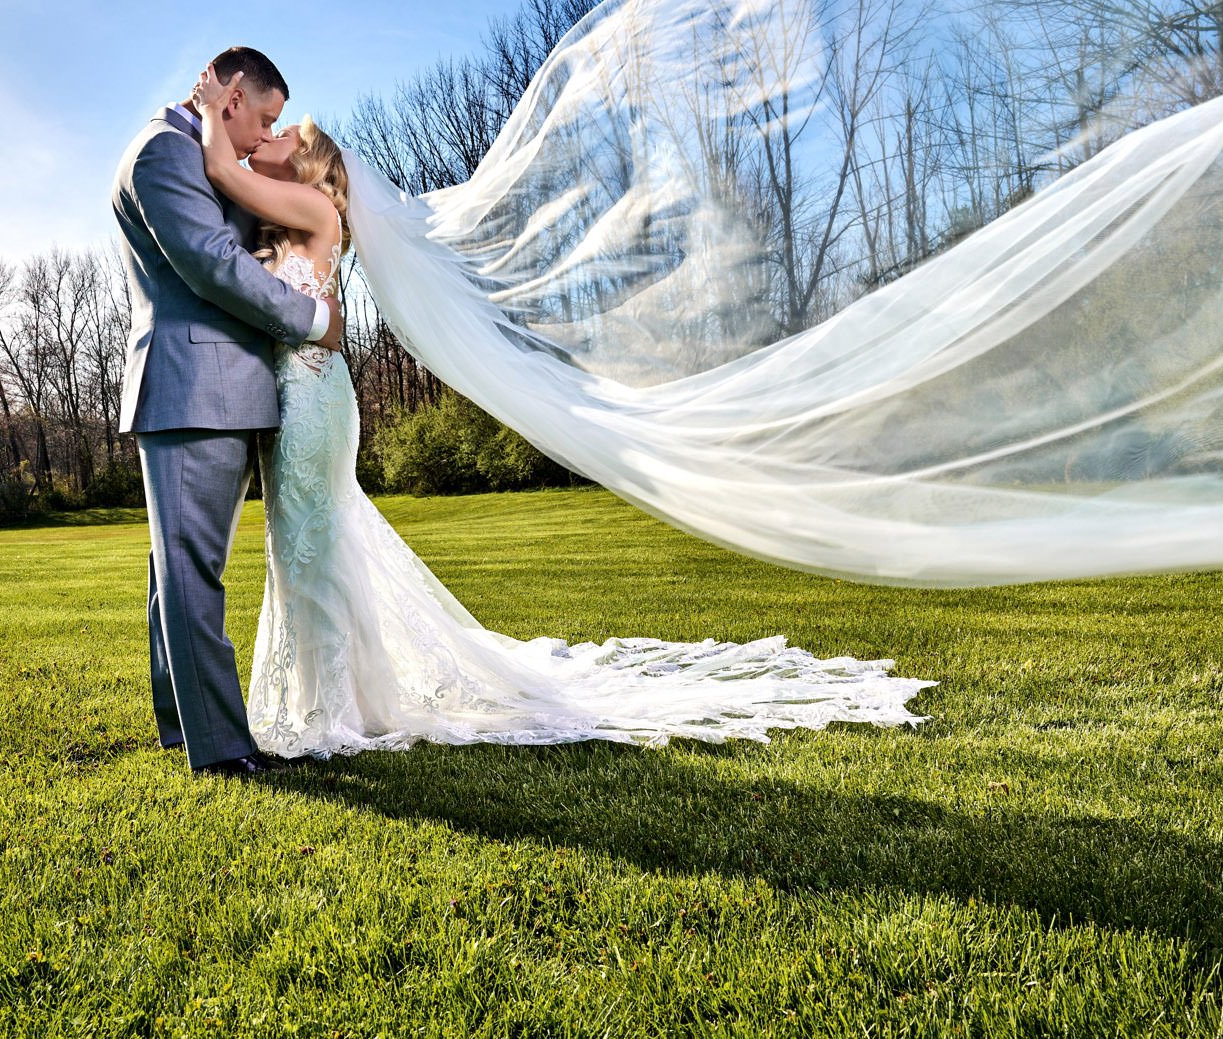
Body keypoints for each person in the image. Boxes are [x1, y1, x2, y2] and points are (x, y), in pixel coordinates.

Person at [189, 66, 935, 761]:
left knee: (313, 552)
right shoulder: (281, 224)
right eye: (265, 124)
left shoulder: (314, 207)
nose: (267, 139)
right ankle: (344, 699)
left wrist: (208, 103)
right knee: (310, 552)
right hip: (303, 399)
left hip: (317, 403)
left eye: (283, 132)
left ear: (313, 163)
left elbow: (223, 167)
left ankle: (327, 717)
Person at [109, 46, 344, 778]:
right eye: (264, 119)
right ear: (233, 94)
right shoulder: (162, 154)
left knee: (176, 568)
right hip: (192, 386)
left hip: (218, 385)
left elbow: (241, 210)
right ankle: (220, 749)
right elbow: (213, 262)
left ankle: (185, 728)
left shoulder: (194, 148)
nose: (257, 138)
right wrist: (310, 320)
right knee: (189, 569)